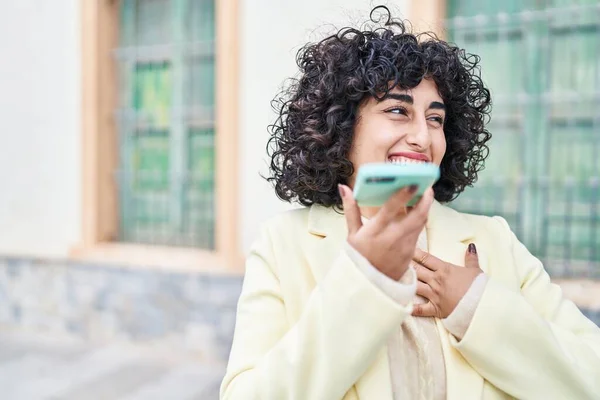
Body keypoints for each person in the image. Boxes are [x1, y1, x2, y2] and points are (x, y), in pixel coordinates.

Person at [220, 6, 600, 400]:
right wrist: (364, 283)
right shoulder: (284, 245)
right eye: (398, 111)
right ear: (342, 127)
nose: (422, 136)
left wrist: (476, 306)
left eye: (435, 119)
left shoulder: (493, 240)